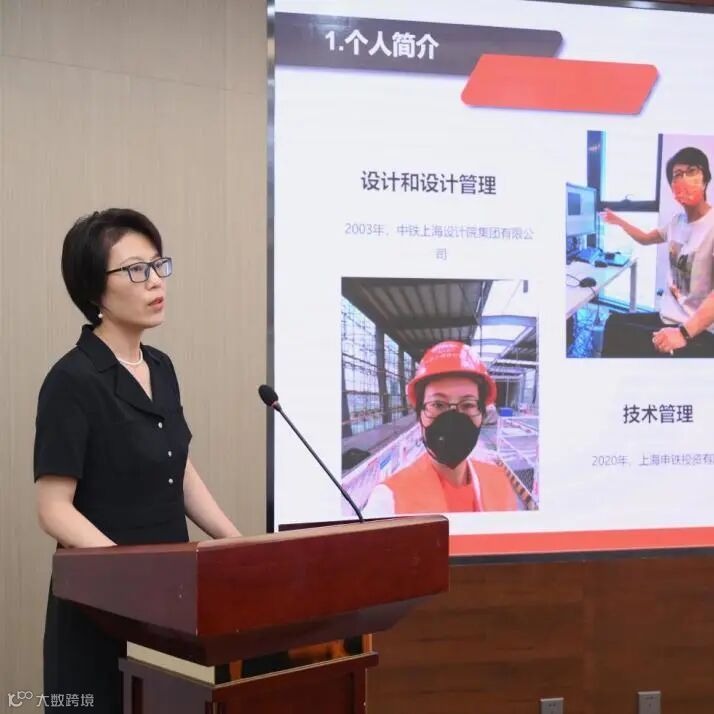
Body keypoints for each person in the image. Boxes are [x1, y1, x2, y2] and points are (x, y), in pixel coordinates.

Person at [34, 209, 241, 713]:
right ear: (94, 290)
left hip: (169, 605)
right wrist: (130, 576)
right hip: (100, 609)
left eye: (157, 265)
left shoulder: (161, 367)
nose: (154, 281)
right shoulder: (71, 380)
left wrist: (236, 544)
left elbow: (177, 469)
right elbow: (53, 509)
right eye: (135, 270)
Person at [363, 341, 519, 516]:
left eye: (468, 404)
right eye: (438, 404)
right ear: (420, 414)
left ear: (482, 414)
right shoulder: (388, 502)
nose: (452, 421)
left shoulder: (500, 483)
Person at [601, 146, 714, 357]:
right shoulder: (676, 222)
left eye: (691, 171)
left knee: (620, 337)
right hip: (666, 319)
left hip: (696, 331)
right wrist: (619, 221)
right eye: (677, 175)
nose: (684, 179)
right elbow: (646, 238)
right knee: (614, 322)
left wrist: (683, 333)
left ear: (705, 178)